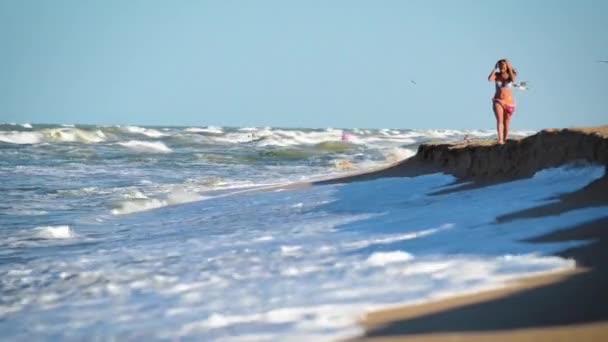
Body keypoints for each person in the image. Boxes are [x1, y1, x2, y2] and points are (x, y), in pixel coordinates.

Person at [488, 59, 517, 144]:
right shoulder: (497, 75)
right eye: (500, 66)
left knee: (507, 122)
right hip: (498, 100)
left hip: (509, 102)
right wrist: (494, 69)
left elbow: (514, 80)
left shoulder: (511, 75)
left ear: (507, 66)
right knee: (500, 120)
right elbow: (489, 79)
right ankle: (500, 139)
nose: (501, 67)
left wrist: (510, 66)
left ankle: (505, 139)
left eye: (503, 65)